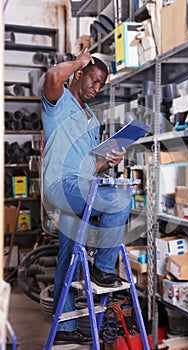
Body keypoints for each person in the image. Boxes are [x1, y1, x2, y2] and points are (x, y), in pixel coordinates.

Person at [41, 52, 132, 345]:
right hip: (60, 186)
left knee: (68, 260)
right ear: (79, 74)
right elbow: (54, 76)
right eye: (94, 80)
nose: (96, 88)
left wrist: (109, 160)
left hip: (81, 189)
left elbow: (89, 165)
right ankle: (103, 270)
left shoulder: (92, 120)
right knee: (120, 201)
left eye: (101, 85)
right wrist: (80, 61)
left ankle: (67, 327)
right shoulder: (59, 102)